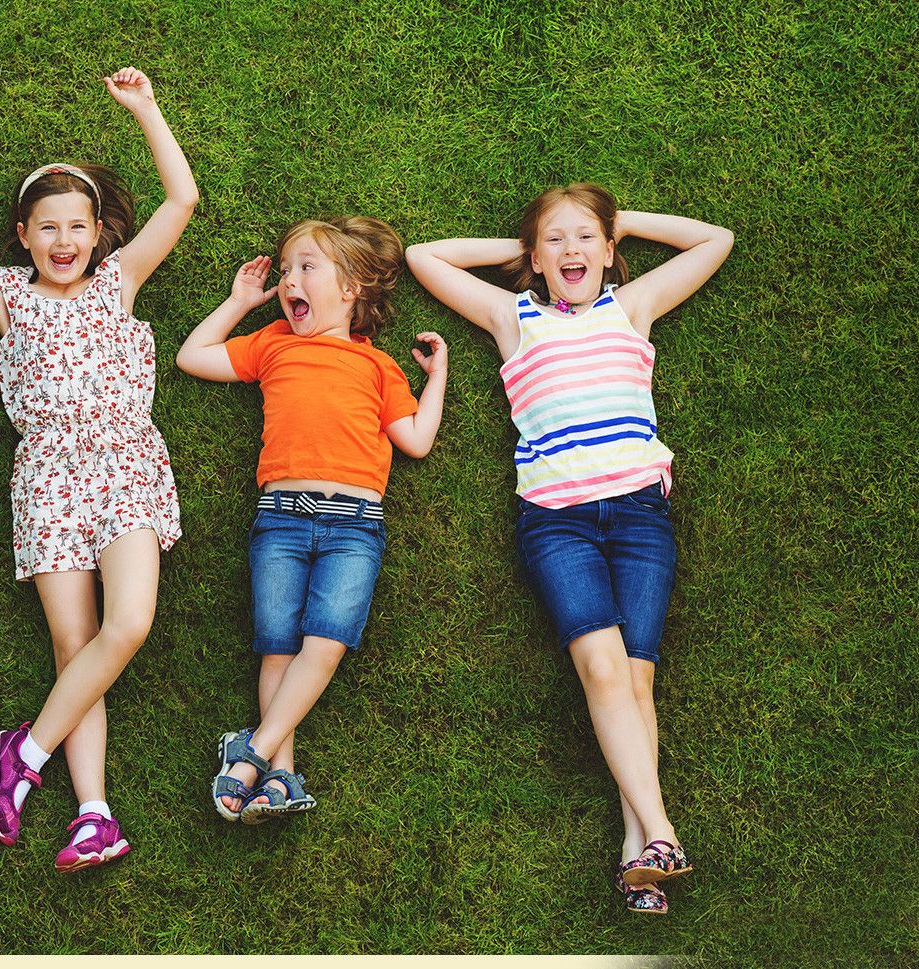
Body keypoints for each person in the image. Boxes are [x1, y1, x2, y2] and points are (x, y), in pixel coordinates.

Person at [0, 69, 197, 871]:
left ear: (100, 231)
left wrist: (146, 110)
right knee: (75, 644)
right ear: (23, 235)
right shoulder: (6, 295)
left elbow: (181, 201)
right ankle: (94, 812)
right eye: (47, 227)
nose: (65, 241)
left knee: (125, 625)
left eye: (78, 225)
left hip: (126, 464)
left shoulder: (119, 282)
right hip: (48, 478)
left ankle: (22, 755)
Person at [406, 183, 732, 914]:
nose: (571, 250)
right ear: (535, 260)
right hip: (558, 519)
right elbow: (423, 255)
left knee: (635, 680)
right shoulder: (511, 317)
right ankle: (663, 828)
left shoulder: (632, 306)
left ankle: (637, 854)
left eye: (586, 238)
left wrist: (619, 223)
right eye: (554, 241)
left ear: (611, 253)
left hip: (641, 515)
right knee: (600, 663)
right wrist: (520, 254)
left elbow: (716, 240)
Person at [176, 217, 447, 823]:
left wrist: (438, 378)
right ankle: (283, 778)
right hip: (281, 518)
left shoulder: (379, 368)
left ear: (351, 287)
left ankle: (250, 755)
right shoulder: (273, 342)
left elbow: (418, 441)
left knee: (324, 645)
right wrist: (238, 303)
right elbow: (191, 357)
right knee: (277, 647)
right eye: (286, 268)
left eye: (306, 267)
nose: (289, 280)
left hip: (355, 527)